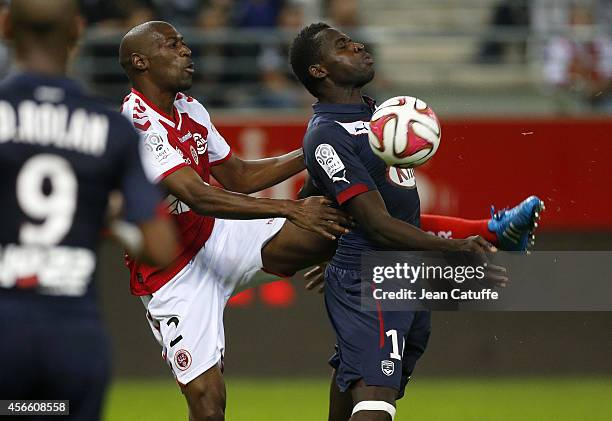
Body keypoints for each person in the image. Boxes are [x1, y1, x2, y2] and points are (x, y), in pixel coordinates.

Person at [118, 20, 542, 421]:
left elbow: (239, 176)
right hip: (171, 271)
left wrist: (325, 144)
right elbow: (199, 194)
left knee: (341, 217)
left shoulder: (189, 109)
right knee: (209, 406)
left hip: (217, 237)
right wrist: (289, 206)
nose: (186, 49)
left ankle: (490, 231)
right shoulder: (137, 121)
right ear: (140, 62)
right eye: (172, 45)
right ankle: (476, 237)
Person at [289, 22, 544, 421]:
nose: (358, 46)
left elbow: (328, 200)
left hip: (398, 273)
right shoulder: (328, 134)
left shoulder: (378, 115)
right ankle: (493, 229)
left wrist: (333, 249)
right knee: (376, 400)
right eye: (343, 45)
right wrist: (455, 249)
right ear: (319, 71)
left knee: (355, 378)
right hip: (369, 279)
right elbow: (375, 224)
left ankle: (493, 228)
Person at [0, 1, 178, 420]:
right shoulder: (112, 128)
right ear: (77, 31)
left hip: (5, 332)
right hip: (73, 338)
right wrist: (108, 218)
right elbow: (160, 246)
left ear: (5, 27)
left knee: (21, 413)